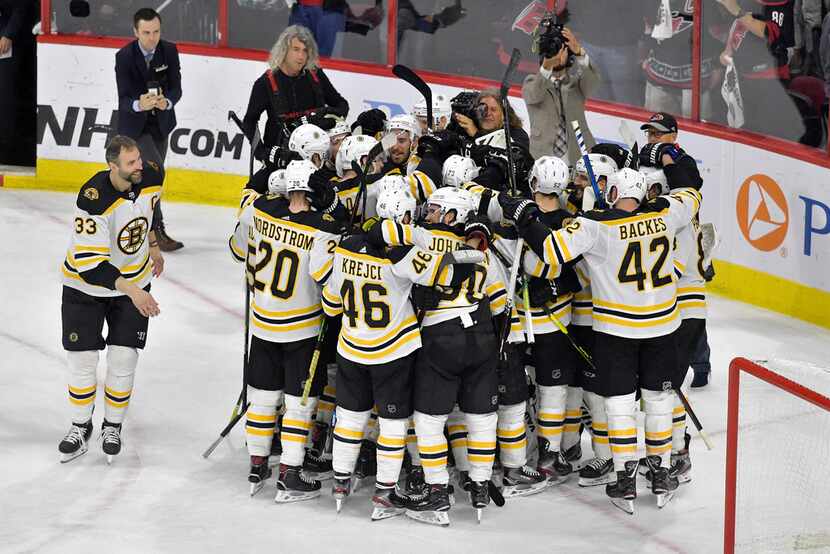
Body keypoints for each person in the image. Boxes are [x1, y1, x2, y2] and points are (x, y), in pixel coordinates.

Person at [499, 168, 703, 514]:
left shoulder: (595, 227)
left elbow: (550, 250)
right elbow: (692, 195)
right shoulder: (665, 215)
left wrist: (525, 215)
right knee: (657, 402)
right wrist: (662, 201)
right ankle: (661, 470)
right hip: (662, 329)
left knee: (620, 406)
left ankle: (624, 475)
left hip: (616, 333)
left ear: (613, 194)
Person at [322, 187, 484, 520]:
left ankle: (340, 482)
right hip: (393, 351)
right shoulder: (403, 255)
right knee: (393, 423)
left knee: (351, 418)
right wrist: (471, 250)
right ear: (406, 218)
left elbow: (331, 303)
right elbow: (452, 272)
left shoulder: (346, 247)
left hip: (351, 346)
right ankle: (384, 492)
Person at [58, 135, 164, 465]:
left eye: (139, 160)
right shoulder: (93, 199)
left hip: (134, 284)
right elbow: (92, 267)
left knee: (123, 360)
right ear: (112, 166)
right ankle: (80, 426)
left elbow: (151, 207)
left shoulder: (152, 175)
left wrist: (154, 244)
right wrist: (134, 291)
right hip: (84, 289)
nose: (139, 166)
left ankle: (112, 427)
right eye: (131, 163)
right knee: (83, 361)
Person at [242, 159, 343, 501]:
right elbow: (328, 284)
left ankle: (257, 463)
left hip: (263, 320)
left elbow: (237, 249)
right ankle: (290, 472)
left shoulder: (260, 210)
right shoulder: (321, 226)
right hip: (300, 326)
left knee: (263, 395)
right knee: (300, 402)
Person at [115, 7, 184, 252]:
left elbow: (176, 88)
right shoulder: (124, 56)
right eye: (146, 32)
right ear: (136, 31)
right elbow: (123, 99)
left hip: (160, 126)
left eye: (155, 32)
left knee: (144, 180)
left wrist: (168, 102)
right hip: (135, 129)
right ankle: (157, 231)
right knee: (155, 174)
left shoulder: (169, 51)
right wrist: (138, 104)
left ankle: (136, 227)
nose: (151, 38)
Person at [242, 25, 349, 164]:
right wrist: (261, 153)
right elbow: (249, 121)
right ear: (284, 50)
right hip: (283, 157)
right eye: (296, 49)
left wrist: (327, 117)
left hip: (317, 155)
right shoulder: (265, 83)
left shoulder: (315, 75)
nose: (301, 56)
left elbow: (342, 105)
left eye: (305, 51)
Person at [522, 26, 600, 164]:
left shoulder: (577, 84)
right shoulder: (531, 82)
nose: (556, 55)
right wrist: (547, 67)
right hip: (543, 158)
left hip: (578, 156)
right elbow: (534, 95)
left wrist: (579, 52)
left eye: (560, 49)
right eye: (552, 51)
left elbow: (593, 84)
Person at [0, 0, 37, 166]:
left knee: (5, 97)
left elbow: (20, 7)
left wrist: (8, 34)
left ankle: (6, 147)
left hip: (6, 44)